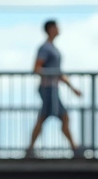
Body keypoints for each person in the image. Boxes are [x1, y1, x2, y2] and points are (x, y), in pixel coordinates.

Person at [26, 20, 84, 159]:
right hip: (48, 89)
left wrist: (72, 88)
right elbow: (37, 68)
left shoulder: (52, 48)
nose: (59, 29)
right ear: (50, 29)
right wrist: (51, 75)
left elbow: (58, 72)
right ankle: (74, 149)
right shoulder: (45, 48)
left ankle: (74, 148)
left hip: (53, 89)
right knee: (53, 117)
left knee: (54, 117)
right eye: (56, 27)